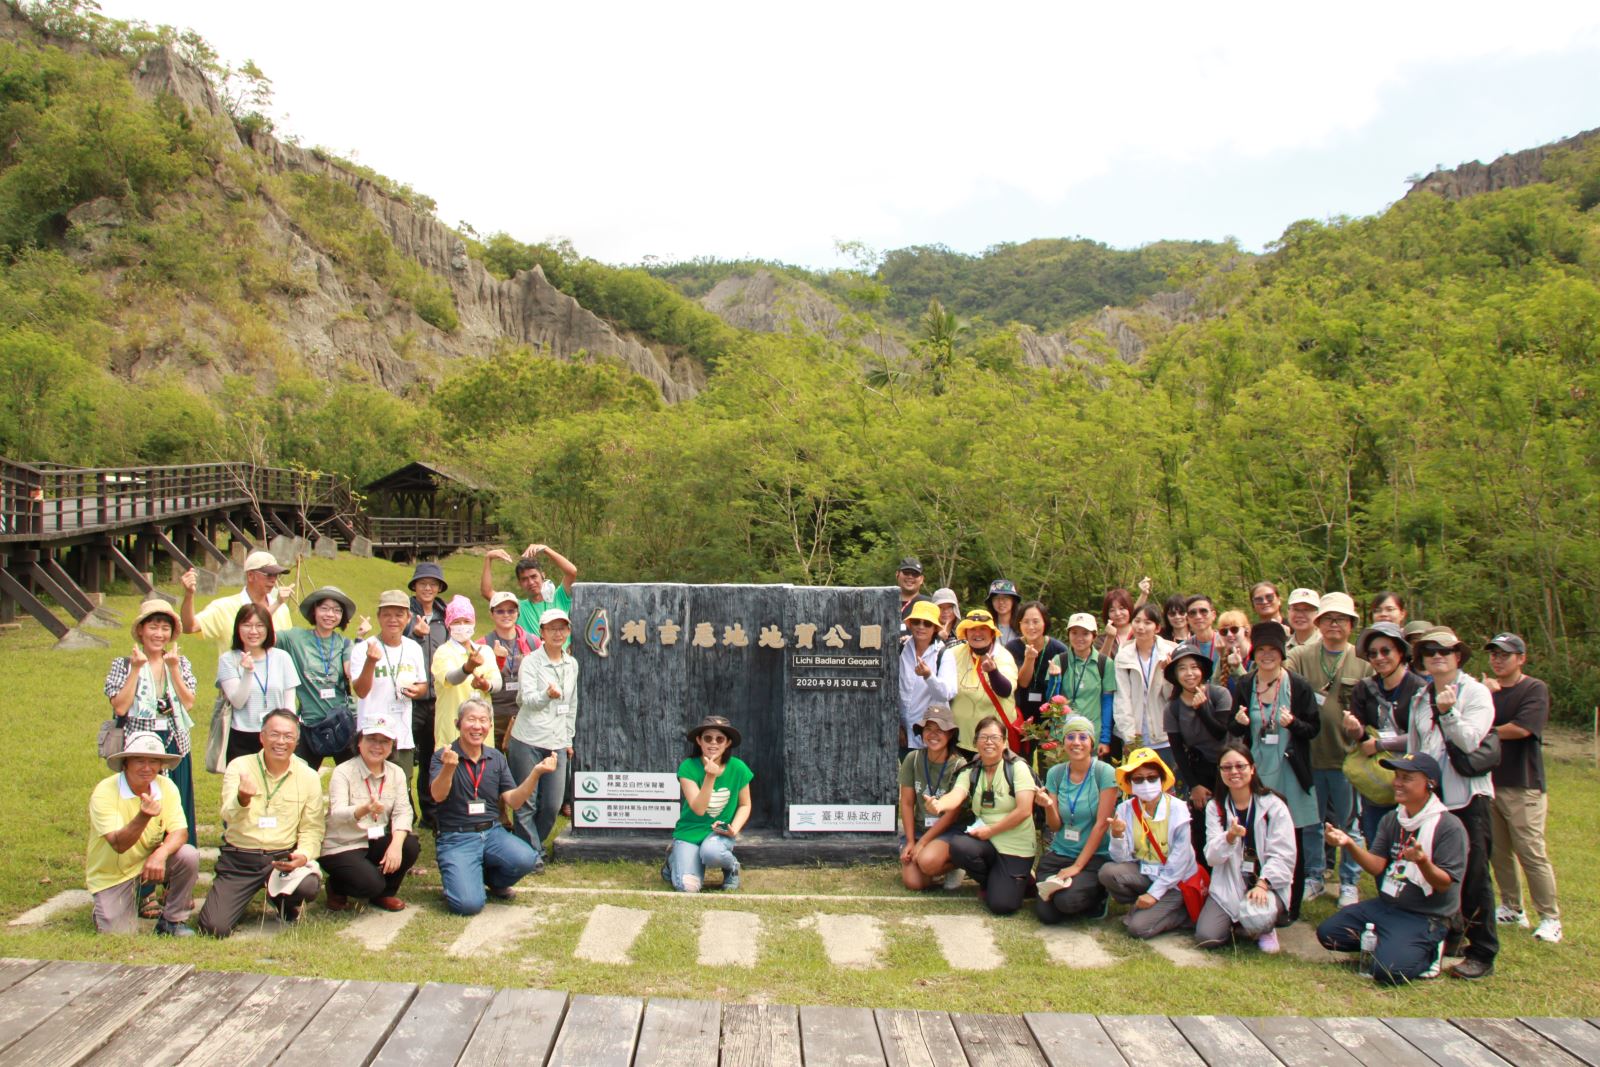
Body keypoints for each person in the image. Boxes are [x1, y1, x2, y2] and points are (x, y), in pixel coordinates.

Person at [1318, 752, 1467, 985]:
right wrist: (1347, 843)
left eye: (1406, 778)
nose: (1397, 783)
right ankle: (1392, 943)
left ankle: (1430, 950)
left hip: (1424, 915)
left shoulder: (1448, 826)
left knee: (1388, 972)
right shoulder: (1393, 819)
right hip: (1387, 906)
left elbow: (1443, 883)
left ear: (1430, 783)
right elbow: (1377, 866)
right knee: (1329, 934)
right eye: (1396, 776)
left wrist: (1422, 862)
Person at [1405, 626, 1498, 979]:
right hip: (1433, 801)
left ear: (1458, 656)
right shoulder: (1419, 697)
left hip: (1467, 798)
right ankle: (1452, 935)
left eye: (1445, 650)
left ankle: (1483, 952)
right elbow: (1417, 750)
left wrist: (1448, 712)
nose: (1437, 656)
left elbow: (1471, 740)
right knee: (1436, 870)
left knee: (1474, 874)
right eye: (1429, 651)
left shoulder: (1475, 693)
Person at [196, 709, 325, 936]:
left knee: (309, 885)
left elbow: (312, 828)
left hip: (281, 859)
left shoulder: (309, 776)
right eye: (274, 734)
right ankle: (240, 897)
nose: (281, 742)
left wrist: (302, 856)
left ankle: (283, 900)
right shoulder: (239, 767)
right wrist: (242, 799)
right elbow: (227, 815)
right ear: (262, 737)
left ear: (296, 741)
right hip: (240, 859)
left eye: (288, 736)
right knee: (213, 927)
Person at [1229, 620, 1320, 922]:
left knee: (1290, 837)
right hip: (1257, 770)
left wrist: (1293, 723)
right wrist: (1239, 722)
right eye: (1261, 650)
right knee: (1257, 834)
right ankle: (1256, 895)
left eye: (1273, 650)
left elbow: (1313, 729)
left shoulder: (1298, 686)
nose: (1267, 655)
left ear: (1282, 653)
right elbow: (1233, 725)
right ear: (1254, 653)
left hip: (1289, 770)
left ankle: (1290, 907)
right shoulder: (1245, 685)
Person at [1288, 592, 1372, 907]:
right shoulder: (1302, 655)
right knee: (1312, 821)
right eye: (1328, 619)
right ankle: (1314, 876)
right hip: (1310, 755)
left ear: (1351, 624)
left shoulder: (1363, 660)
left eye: (1341, 619)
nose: (1334, 624)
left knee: (1351, 823)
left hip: (1349, 758)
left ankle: (1349, 882)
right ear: (1318, 622)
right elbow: (1277, 675)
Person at [431, 698, 554, 914]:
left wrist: (536, 773)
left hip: (491, 832)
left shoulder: (495, 757)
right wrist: (449, 768)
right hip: (456, 837)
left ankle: (492, 881)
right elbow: (438, 796)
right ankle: (460, 879)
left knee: (527, 859)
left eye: (483, 720)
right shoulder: (444, 756)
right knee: (468, 905)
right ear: (457, 723)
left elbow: (514, 801)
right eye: (471, 720)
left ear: (489, 725)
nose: (477, 726)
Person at [1481, 632, 1560, 944]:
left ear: (1521, 658)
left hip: (1523, 784)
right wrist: (1484, 696)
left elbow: (1522, 729)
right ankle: (1512, 907)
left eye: (1505, 654)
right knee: (1498, 851)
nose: (1498, 660)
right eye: (1494, 654)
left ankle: (1550, 917)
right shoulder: (1487, 690)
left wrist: (1483, 730)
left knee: (1530, 851)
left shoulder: (1534, 688)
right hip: (1490, 781)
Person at [86, 731, 199, 936]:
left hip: (149, 863)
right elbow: (119, 844)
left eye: (154, 761)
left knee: (188, 855)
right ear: (126, 763)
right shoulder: (105, 792)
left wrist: (161, 854)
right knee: (117, 933)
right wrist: (143, 816)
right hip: (113, 874)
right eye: (140, 760)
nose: (147, 768)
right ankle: (105, 908)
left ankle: (173, 921)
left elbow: (180, 832)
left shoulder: (167, 786)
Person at [105, 599, 198, 841]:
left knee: (175, 800)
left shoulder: (180, 661)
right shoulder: (123, 664)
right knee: (141, 798)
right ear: (141, 630)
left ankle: (176, 854)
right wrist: (136, 669)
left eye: (165, 628)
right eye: (153, 627)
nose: (159, 634)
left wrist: (174, 669)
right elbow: (121, 706)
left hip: (174, 741)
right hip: (137, 743)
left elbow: (188, 702)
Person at [927, 715, 1038, 916]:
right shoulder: (972, 770)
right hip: (986, 841)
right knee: (960, 847)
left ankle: (1024, 880)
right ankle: (993, 880)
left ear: (1004, 742)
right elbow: (957, 794)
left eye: (995, 737)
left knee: (1002, 906)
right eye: (983, 737)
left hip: (1015, 844)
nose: (989, 742)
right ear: (975, 742)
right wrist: (939, 804)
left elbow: (1024, 810)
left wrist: (992, 830)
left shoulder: (1017, 768)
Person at [1196, 742, 1296, 952]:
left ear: (1252, 768)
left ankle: (1264, 926)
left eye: (1240, 766)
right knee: (1207, 938)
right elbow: (1212, 858)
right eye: (1227, 767)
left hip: (1264, 883)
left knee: (1259, 916)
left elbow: (1284, 854)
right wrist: (1229, 837)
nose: (1234, 772)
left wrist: (1263, 883)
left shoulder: (1273, 805)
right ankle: (1242, 922)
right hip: (1229, 883)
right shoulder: (1216, 808)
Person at [320, 715, 419, 912]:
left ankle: (385, 893)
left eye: (384, 741)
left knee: (409, 846)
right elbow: (337, 813)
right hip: (343, 844)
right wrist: (364, 809)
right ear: (359, 742)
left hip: (375, 838)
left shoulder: (396, 772)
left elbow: (403, 812)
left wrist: (396, 846)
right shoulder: (343, 772)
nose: (377, 746)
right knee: (370, 884)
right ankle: (336, 886)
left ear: (392, 746)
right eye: (371, 739)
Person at [1100, 746, 1198, 938]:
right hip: (1146, 871)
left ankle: (1181, 914)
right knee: (1108, 873)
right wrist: (1118, 835)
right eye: (1138, 779)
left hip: (1176, 881)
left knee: (1137, 929)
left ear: (1162, 780)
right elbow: (1121, 858)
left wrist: (1155, 894)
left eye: (1152, 777)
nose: (1146, 783)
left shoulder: (1178, 809)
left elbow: (1180, 860)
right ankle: (1146, 906)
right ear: (1130, 783)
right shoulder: (1126, 809)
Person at [1346, 623, 1426, 854]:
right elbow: (1360, 735)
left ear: (1401, 652)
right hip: (1377, 781)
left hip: (1412, 776)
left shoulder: (1419, 689)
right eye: (1373, 653)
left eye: (1385, 651)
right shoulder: (1364, 688)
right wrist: (1355, 730)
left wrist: (1381, 744)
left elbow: (1422, 735)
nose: (1379, 658)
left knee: (1412, 847)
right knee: (1378, 844)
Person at [508, 609, 579, 867]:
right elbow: (526, 699)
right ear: (542, 633)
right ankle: (531, 854)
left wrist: (569, 739)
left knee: (552, 803)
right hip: (528, 740)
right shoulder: (531, 662)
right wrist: (546, 695)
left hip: (557, 742)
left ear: (569, 632)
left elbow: (571, 704)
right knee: (526, 802)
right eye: (552, 628)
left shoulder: (572, 664)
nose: (557, 633)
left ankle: (529, 847)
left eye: (562, 628)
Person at [1033, 714, 1118, 922]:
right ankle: (1071, 888)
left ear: (1092, 742)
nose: (1076, 743)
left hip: (1092, 857)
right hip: (1061, 853)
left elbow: (1101, 825)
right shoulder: (1056, 773)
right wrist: (1049, 806)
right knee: (1047, 915)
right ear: (1063, 743)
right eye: (1070, 737)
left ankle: (1098, 893)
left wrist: (1077, 867)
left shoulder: (1104, 772)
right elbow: (1055, 825)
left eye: (1083, 737)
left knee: (1065, 902)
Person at [278, 586, 365, 769]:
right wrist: (277, 603)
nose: (330, 614)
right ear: (314, 610)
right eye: (324, 608)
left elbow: (351, 671)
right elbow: (262, 635)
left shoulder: (344, 643)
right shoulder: (295, 638)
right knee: (299, 779)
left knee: (355, 779)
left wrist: (361, 644)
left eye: (337, 610)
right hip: (310, 724)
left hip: (343, 723)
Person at [665, 716, 754, 893]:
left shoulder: (738, 768)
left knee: (711, 852)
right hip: (689, 832)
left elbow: (745, 805)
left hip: (718, 833)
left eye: (719, 739)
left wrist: (733, 829)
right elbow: (698, 809)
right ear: (699, 741)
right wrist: (710, 776)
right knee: (688, 888)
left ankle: (732, 867)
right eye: (708, 738)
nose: (713, 743)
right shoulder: (688, 767)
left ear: (727, 743)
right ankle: (673, 859)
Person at [350, 590, 427, 785]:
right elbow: (360, 691)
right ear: (378, 616)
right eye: (387, 614)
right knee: (368, 789)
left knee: (400, 791)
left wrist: (418, 691)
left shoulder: (413, 648)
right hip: (371, 735)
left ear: (408, 617)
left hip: (402, 735)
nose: (393, 619)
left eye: (399, 614)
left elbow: (423, 684)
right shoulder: (363, 648)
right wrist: (370, 661)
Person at [215, 604, 300, 764]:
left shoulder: (282, 658)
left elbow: (289, 703)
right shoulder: (228, 660)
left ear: (268, 629)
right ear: (238, 629)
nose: (253, 631)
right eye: (247, 625)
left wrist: (289, 733)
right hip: (242, 736)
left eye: (259, 625)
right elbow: (238, 702)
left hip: (277, 737)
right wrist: (248, 672)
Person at [1162, 644, 1234, 829]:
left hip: (1228, 766)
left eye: (1194, 667)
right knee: (1202, 826)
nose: (1189, 673)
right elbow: (1177, 750)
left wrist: (1202, 709)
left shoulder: (1219, 694)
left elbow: (1220, 733)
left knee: (1232, 819)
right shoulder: (1173, 708)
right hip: (1199, 769)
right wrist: (1194, 786)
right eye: (1182, 668)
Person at [897, 706, 966, 891]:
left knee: (926, 860)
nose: (933, 735)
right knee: (913, 883)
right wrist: (911, 841)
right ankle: (931, 866)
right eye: (928, 729)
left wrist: (924, 843)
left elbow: (952, 814)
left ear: (950, 733)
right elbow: (906, 803)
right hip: (920, 829)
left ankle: (956, 865)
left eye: (940, 730)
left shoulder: (959, 765)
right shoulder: (913, 758)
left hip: (948, 831)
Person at [403, 562, 449, 826]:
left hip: (439, 699)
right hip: (411, 699)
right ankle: (405, 812)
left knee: (433, 759)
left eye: (433, 583)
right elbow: (393, 640)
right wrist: (413, 632)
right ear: (415, 586)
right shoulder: (406, 613)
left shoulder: (446, 615)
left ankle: (430, 815)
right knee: (406, 757)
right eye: (423, 583)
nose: (428, 588)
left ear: (439, 587)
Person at [179, 551, 293, 655]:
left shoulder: (282, 609)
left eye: (276, 574)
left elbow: (288, 647)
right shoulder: (223, 607)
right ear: (250, 575)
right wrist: (189, 595)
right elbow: (190, 627)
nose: (273, 579)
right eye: (268, 574)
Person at [1112, 604, 1176, 778]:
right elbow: (1121, 698)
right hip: (1137, 734)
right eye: (1137, 621)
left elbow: (1172, 696)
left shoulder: (1169, 652)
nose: (1141, 627)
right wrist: (1130, 736)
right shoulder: (1123, 655)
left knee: (1168, 784)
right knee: (1140, 785)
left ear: (1158, 627)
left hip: (1165, 734)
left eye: (1147, 622)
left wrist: (1169, 673)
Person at [431, 596, 503, 752]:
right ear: (448, 624)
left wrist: (486, 685)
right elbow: (451, 678)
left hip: (482, 736)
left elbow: (497, 683)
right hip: (452, 736)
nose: (462, 626)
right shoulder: (443, 652)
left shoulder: (485, 651)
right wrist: (467, 668)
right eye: (457, 622)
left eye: (467, 621)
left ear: (474, 623)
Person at [1045, 613, 1117, 756]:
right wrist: (1054, 679)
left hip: (1091, 736)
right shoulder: (1059, 660)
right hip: (1063, 735)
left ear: (1094, 636)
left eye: (1085, 633)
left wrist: (1104, 739)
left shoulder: (1105, 663)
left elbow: (1107, 702)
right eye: (1074, 632)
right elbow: (1052, 700)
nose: (1079, 638)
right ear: (1068, 634)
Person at [948, 610, 1019, 754]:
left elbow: (1005, 691)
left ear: (992, 633)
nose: (977, 633)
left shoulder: (1002, 656)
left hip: (993, 743)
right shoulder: (953, 654)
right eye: (972, 629)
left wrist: (993, 672)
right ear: (966, 633)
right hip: (959, 740)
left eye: (983, 629)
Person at [480, 543, 577, 638]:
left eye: (534, 576)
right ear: (519, 583)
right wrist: (488, 558)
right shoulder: (518, 608)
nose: (530, 582)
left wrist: (546, 549)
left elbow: (572, 572)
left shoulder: (559, 597)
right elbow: (487, 592)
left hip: (562, 653)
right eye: (524, 579)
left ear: (543, 575)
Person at [1006, 600, 1067, 751]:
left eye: (1036, 621)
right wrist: (1029, 659)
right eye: (1026, 622)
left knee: (1047, 764)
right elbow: (1023, 683)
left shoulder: (1059, 649)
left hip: (1049, 719)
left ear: (1045, 622)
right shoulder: (1012, 648)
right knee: (1020, 764)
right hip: (1020, 717)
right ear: (1019, 624)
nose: (1031, 627)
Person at [898, 601, 957, 753]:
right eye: (917, 621)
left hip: (932, 737)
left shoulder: (944, 654)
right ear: (910, 624)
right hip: (902, 736)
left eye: (927, 623)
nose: (921, 627)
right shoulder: (900, 649)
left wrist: (928, 676)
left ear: (935, 628)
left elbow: (947, 693)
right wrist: (896, 725)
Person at [483, 590, 539, 747]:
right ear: (491, 614)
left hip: (525, 715)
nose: (506, 615)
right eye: (500, 611)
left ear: (518, 612)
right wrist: (494, 660)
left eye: (511, 610)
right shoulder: (482, 643)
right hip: (493, 715)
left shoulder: (533, 642)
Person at [1213, 609, 1253, 691]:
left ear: (1246, 629)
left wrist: (1237, 668)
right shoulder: (1224, 656)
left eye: (1234, 629)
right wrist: (1221, 657)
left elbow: (1253, 691)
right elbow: (1215, 690)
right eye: (1224, 631)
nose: (1229, 634)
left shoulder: (1256, 655)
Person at [1097, 587, 1135, 659]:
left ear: (1130, 609)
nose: (1117, 613)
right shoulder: (1101, 639)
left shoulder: (1140, 634)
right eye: (1112, 610)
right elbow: (1100, 664)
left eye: (1121, 608)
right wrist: (1109, 638)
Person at [1183, 595, 1219, 664]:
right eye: (1192, 613)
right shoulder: (1184, 648)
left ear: (1213, 615)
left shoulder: (1226, 641)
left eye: (1203, 611)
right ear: (1187, 619)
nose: (1198, 616)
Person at [986, 579, 1022, 645]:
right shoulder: (986, 626)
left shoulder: (1022, 626)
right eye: (996, 598)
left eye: (1006, 598)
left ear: (1013, 601)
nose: (1001, 602)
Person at [894, 557, 929, 622]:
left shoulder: (929, 604)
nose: (910, 576)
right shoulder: (884, 603)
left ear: (921, 579)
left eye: (915, 574)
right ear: (897, 574)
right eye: (906, 572)